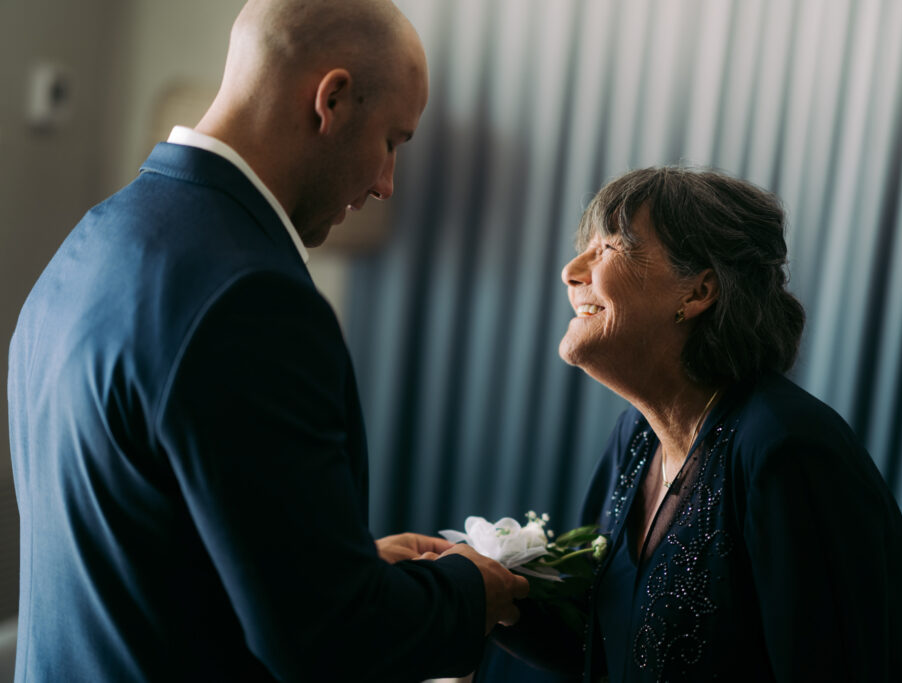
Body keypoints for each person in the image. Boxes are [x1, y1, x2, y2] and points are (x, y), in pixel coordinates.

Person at [7, 1, 528, 680]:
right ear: (331, 99)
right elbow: (328, 643)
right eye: (392, 142)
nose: (385, 184)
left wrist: (351, 567)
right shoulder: (252, 299)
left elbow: (148, 549)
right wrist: (470, 591)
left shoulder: (94, 238)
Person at [476, 167, 902, 682]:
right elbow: (613, 652)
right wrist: (488, 593)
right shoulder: (635, 441)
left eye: (609, 247)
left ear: (698, 291)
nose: (572, 270)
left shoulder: (788, 449)